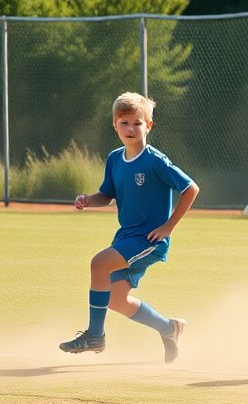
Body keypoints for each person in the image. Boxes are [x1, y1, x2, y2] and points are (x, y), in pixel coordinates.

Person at [60, 92, 200, 363]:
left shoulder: (154, 160)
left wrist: (169, 226)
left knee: (99, 263)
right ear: (115, 125)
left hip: (149, 240)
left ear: (149, 126)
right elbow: (107, 195)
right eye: (124, 123)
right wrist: (88, 200)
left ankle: (95, 336)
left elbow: (191, 188)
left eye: (137, 123)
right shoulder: (114, 159)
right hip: (127, 237)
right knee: (116, 300)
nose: (131, 129)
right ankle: (169, 328)